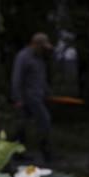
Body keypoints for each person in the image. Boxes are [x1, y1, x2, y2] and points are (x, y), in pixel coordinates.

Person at [11, 32, 54, 161]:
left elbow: (39, 79)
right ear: (36, 45)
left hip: (38, 96)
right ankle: (46, 152)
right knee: (45, 121)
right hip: (29, 98)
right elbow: (16, 78)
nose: (43, 51)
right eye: (42, 48)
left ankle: (16, 152)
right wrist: (17, 98)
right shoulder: (23, 57)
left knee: (23, 126)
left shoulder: (38, 59)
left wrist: (48, 92)